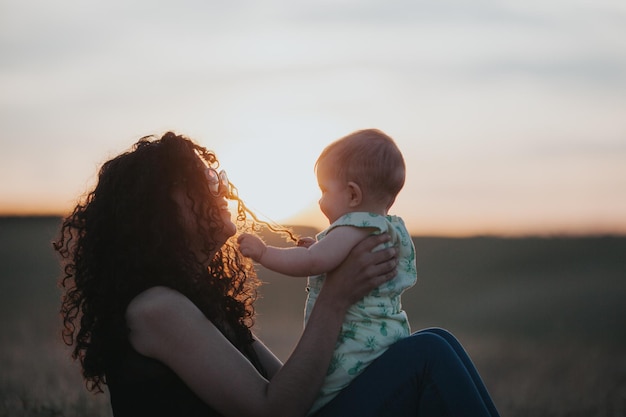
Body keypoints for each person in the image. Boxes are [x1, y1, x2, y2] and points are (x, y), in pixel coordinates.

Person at [55, 131, 500, 417]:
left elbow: (294, 389)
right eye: (203, 182)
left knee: (436, 343)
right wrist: (336, 296)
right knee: (427, 356)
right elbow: (276, 410)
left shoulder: (200, 304)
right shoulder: (156, 308)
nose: (221, 188)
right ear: (159, 210)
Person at [237, 129, 417, 414]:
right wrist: (322, 249)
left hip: (354, 356)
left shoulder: (353, 226)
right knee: (438, 345)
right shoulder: (387, 228)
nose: (320, 201)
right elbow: (329, 257)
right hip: (386, 340)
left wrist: (264, 253)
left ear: (353, 194)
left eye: (324, 191)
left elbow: (311, 262)